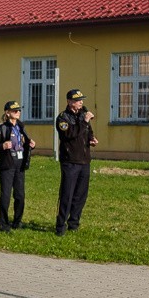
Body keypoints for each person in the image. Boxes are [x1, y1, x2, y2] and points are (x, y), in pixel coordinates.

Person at [55, 88, 98, 235]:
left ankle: (74, 223)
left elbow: (87, 131)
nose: (81, 103)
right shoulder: (63, 118)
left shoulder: (82, 115)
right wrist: (84, 122)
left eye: (81, 100)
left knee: (80, 195)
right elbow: (70, 134)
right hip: (70, 161)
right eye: (77, 100)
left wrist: (91, 139)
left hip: (84, 161)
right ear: (69, 102)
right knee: (67, 194)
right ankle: (60, 226)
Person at [0, 101, 35, 232]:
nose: (18, 112)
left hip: (20, 165)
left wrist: (31, 144)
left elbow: (24, 142)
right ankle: (4, 224)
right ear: (7, 113)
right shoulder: (1, 128)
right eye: (15, 111)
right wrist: (2, 146)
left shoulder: (21, 126)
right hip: (7, 165)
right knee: (6, 195)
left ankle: (17, 222)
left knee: (20, 195)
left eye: (19, 110)